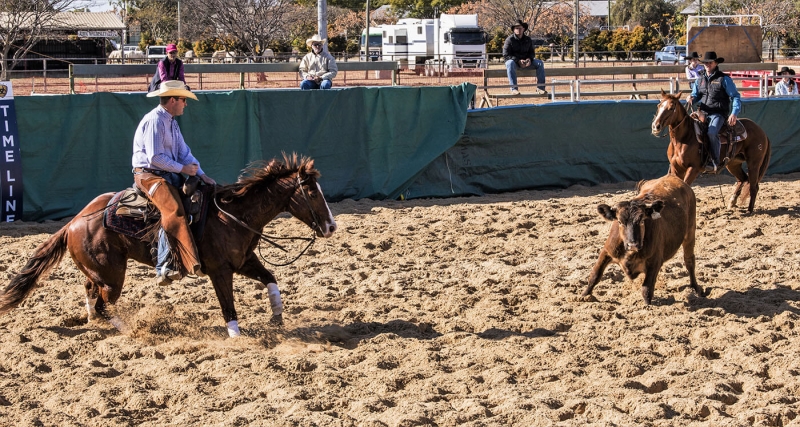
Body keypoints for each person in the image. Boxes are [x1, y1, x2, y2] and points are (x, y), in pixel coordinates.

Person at [132, 80, 216, 285]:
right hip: (148, 175)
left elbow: (183, 153)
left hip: (166, 174)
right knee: (173, 210)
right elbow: (154, 158)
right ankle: (163, 266)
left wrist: (201, 174)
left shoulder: (170, 121)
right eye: (183, 100)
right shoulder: (154, 120)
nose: (185, 104)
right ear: (172, 100)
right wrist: (183, 170)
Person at [686, 51, 741, 173]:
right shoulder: (699, 79)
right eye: (706, 63)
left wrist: (734, 113)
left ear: (716, 63)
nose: (707, 65)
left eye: (710, 62)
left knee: (711, 132)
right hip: (703, 112)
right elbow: (696, 95)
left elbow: (735, 96)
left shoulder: (724, 79)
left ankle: (715, 161)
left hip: (718, 113)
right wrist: (691, 98)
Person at [502, 20, 547, 95]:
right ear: (514, 30)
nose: (518, 30)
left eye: (520, 28)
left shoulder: (528, 39)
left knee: (540, 63)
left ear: (523, 29)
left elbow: (532, 53)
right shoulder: (509, 40)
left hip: (526, 63)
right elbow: (506, 55)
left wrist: (529, 59)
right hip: (514, 63)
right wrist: (518, 61)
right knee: (509, 63)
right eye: (516, 28)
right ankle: (514, 89)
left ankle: (540, 88)